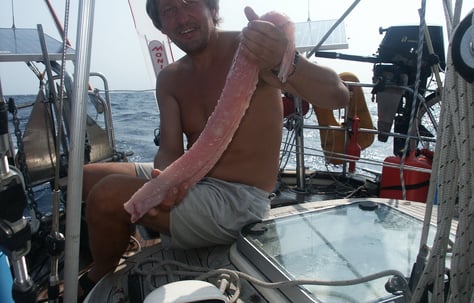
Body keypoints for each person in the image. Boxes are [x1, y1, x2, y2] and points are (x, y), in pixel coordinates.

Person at [78, 0, 349, 300]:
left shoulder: (252, 49)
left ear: (212, 9)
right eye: (169, 11)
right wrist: (164, 179)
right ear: (161, 26)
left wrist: (286, 61)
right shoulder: (169, 78)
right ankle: (124, 237)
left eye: (189, 3)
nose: (181, 18)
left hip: (239, 202)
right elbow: (169, 148)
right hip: (193, 177)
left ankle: (96, 279)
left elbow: (337, 95)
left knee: (106, 196)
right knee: (84, 178)